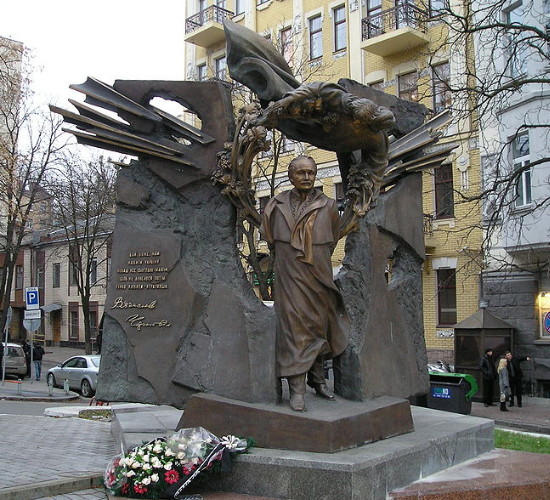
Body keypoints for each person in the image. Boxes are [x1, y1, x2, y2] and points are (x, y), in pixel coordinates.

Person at [261, 155, 350, 411]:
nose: (306, 177)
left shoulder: (329, 205)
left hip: (318, 275)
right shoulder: (274, 206)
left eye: (311, 172)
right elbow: (269, 237)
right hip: (288, 276)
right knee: (293, 329)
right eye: (300, 173)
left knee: (318, 326)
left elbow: (332, 239)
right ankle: (296, 389)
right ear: (290, 176)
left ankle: (318, 379)